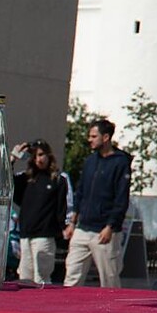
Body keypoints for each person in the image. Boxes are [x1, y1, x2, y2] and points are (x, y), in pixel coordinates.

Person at [64, 118, 131, 287]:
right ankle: (67, 310)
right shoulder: (90, 161)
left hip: (104, 231)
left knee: (109, 279)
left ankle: (111, 311)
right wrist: (73, 222)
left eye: (94, 136)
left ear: (106, 137)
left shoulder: (120, 162)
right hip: (82, 228)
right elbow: (81, 192)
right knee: (71, 276)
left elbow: (121, 198)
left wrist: (110, 226)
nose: (90, 140)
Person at [10, 140, 67, 284]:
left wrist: (62, 230)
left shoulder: (58, 180)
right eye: (34, 156)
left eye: (41, 155)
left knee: (41, 277)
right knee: (24, 277)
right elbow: (6, 182)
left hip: (45, 235)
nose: (38, 160)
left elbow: (62, 209)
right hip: (26, 234)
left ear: (48, 155)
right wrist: (12, 159)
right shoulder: (27, 179)